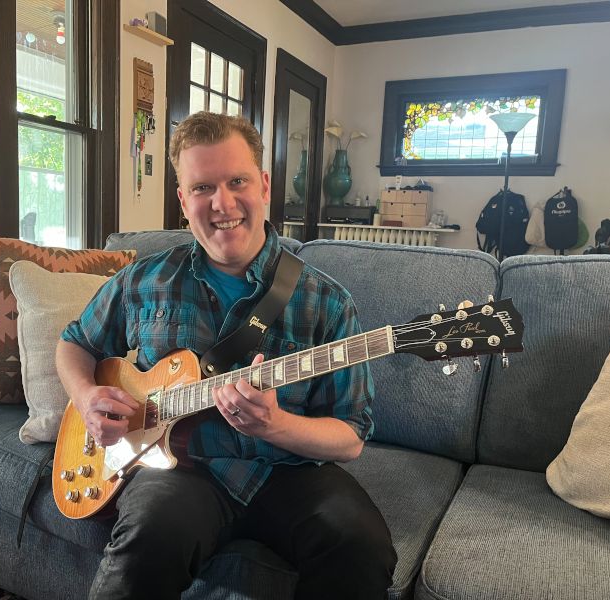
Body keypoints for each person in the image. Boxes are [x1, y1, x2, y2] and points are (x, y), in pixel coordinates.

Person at [56, 111, 396, 599]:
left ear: (263, 185)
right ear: (182, 200)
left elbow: (350, 439)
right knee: (145, 544)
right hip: (181, 468)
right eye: (202, 188)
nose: (222, 203)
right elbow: (75, 343)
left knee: (360, 546)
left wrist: (274, 425)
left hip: (289, 471)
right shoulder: (146, 279)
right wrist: (87, 398)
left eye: (237, 181)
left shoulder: (326, 302)